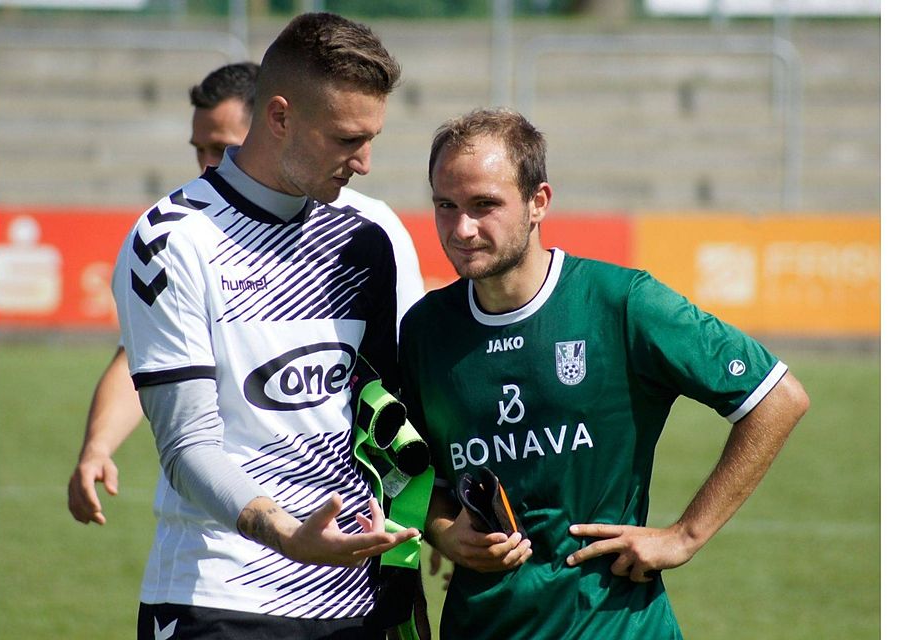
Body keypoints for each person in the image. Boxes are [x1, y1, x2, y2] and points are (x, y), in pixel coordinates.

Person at [397, 108, 810, 639]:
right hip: (481, 625)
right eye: (445, 206)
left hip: (613, 624)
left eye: (485, 205)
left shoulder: (622, 303)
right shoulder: (426, 330)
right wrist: (441, 529)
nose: (461, 229)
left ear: (538, 202)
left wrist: (685, 535)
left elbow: (777, 398)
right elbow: (402, 465)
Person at [111, 14, 424, 639]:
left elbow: (395, 415)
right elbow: (187, 445)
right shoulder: (174, 239)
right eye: (345, 139)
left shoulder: (371, 236)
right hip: (220, 595)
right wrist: (282, 532)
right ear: (279, 117)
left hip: (359, 599)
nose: (363, 162)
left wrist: (441, 522)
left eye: (372, 139)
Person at [68, 61, 426, 528]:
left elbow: (403, 382)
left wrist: (425, 512)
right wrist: (97, 446)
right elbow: (137, 360)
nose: (207, 164)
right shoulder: (176, 234)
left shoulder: (372, 231)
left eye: (221, 146)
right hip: (219, 541)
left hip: (351, 549)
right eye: (200, 149)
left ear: (272, 124)